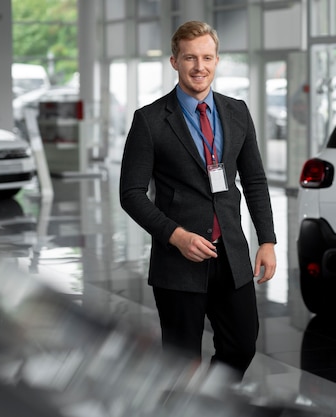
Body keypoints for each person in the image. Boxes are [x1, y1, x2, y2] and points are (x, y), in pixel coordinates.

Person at [119, 20, 277, 380]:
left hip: (231, 255)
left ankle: (207, 401)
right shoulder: (150, 121)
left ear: (217, 60)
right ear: (174, 61)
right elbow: (130, 194)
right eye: (189, 58)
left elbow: (254, 180)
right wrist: (176, 235)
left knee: (241, 345)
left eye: (207, 57)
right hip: (179, 261)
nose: (199, 67)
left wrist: (266, 240)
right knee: (181, 364)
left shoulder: (238, 112)